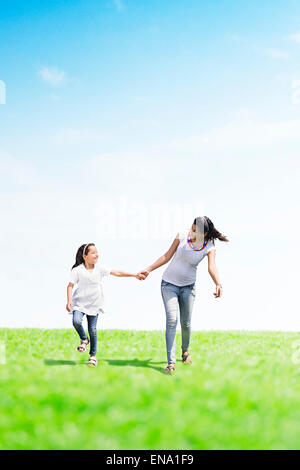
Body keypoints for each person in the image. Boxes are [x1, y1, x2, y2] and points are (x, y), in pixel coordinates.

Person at [138, 216, 229, 374]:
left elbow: (211, 267)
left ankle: (185, 351)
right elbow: (167, 255)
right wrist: (149, 269)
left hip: (188, 288)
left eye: (197, 231)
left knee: (186, 323)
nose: (193, 232)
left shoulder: (209, 246)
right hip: (168, 285)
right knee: (172, 320)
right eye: (192, 228)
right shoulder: (181, 235)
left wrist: (218, 283)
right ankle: (170, 363)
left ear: (205, 234)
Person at [66, 242, 145, 367]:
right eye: (93, 253)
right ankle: (84, 339)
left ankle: (93, 356)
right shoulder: (77, 270)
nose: (96, 255)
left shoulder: (100, 269)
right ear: (84, 256)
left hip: (94, 304)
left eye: (97, 252)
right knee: (76, 321)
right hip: (79, 303)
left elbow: (117, 273)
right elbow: (70, 286)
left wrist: (134, 275)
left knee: (92, 330)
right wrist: (69, 300)